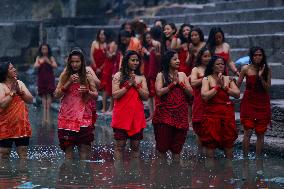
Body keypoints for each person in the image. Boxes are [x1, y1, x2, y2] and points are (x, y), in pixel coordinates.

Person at [54, 49, 98, 160]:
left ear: (82, 62)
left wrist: (87, 91)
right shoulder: (65, 75)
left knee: (84, 152)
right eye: (72, 62)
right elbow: (56, 94)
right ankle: (68, 176)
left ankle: (82, 176)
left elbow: (96, 95)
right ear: (69, 62)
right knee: (68, 152)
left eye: (77, 62)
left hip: (84, 118)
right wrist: (68, 82)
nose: (74, 64)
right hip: (67, 118)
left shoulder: (88, 76)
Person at [152, 50, 193, 162]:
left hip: (180, 116)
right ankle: (162, 175)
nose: (178, 61)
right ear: (168, 61)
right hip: (164, 117)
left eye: (178, 58)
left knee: (177, 150)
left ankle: (175, 175)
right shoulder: (161, 75)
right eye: (175, 59)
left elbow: (191, 93)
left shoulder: (182, 75)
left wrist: (181, 84)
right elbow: (159, 92)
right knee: (162, 149)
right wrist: (173, 84)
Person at [111, 50, 149, 160]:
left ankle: (135, 176)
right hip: (121, 115)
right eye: (133, 60)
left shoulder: (141, 77)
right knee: (119, 147)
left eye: (137, 60)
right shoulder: (118, 75)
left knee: (136, 147)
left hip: (136, 116)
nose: (136, 62)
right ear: (127, 61)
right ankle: (119, 176)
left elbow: (146, 96)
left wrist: (136, 86)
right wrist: (128, 86)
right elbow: (115, 95)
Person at [201, 56, 240, 159]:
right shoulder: (206, 79)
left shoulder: (228, 79)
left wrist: (225, 87)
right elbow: (204, 96)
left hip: (226, 116)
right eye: (218, 64)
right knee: (210, 144)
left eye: (222, 64)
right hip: (212, 116)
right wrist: (217, 87)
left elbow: (237, 94)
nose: (221, 66)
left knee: (228, 143)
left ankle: (229, 171)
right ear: (212, 67)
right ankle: (211, 172)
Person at [237, 47, 271, 157]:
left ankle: (258, 159)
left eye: (260, 55)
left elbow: (267, 88)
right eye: (255, 55)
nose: (257, 57)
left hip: (262, 102)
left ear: (263, 56)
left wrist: (260, 77)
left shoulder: (267, 69)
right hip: (249, 102)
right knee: (248, 132)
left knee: (260, 133)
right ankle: (245, 159)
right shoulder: (245, 69)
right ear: (251, 57)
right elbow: (237, 85)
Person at [0, 61, 33, 159]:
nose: (14, 69)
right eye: (11, 68)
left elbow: (30, 100)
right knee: (4, 154)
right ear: (5, 72)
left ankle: (23, 174)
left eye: (13, 67)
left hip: (21, 125)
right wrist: (13, 92)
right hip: (5, 126)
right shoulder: (1, 86)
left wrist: (20, 92)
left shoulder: (19, 83)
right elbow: (2, 105)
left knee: (23, 154)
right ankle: (3, 174)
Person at [190, 47, 212, 155]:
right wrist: (207, 77)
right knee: (199, 130)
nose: (207, 58)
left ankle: (209, 154)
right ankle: (200, 154)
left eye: (209, 56)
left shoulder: (215, 68)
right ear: (200, 57)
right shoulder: (196, 69)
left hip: (213, 102)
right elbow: (193, 83)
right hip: (199, 102)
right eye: (205, 56)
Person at [33, 43, 57, 126]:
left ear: (48, 49)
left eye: (45, 49)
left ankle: (48, 117)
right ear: (41, 50)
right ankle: (44, 118)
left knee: (49, 95)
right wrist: (41, 62)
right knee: (43, 96)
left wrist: (48, 62)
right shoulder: (38, 58)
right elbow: (35, 66)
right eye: (43, 49)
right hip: (42, 79)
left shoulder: (51, 57)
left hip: (49, 79)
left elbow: (55, 65)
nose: (44, 50)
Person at [141, 31, 161, 121]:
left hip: (153, 71)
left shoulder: (156, 45)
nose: (148, 40)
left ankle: (156, 115)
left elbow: (157, 59)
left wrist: (148, 53)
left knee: (154, 93)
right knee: (149, 94)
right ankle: (152, 114)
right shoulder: (144, 47)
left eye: (149, 38)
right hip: (146, 71)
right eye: (146, 38)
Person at [100, 39, 121, 113]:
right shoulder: (107, 46)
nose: (113, 48)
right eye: (112, 46)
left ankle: (111, 107)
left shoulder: (118, 52)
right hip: (107, 69)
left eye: (114, 46)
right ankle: (104, 107)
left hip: (113, 69)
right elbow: (109, 55)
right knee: (105, 89)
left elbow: (114, 56)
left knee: (112, 88)